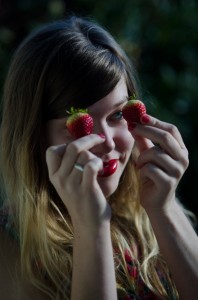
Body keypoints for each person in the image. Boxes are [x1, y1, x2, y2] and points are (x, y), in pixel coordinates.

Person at [0, 14, 197, 300]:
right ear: (35, 137)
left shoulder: (145, 205)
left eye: (117, 114)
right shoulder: (11, 245)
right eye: (79, 124)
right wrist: (91, 226)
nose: (107, 144)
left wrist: (164, 208)